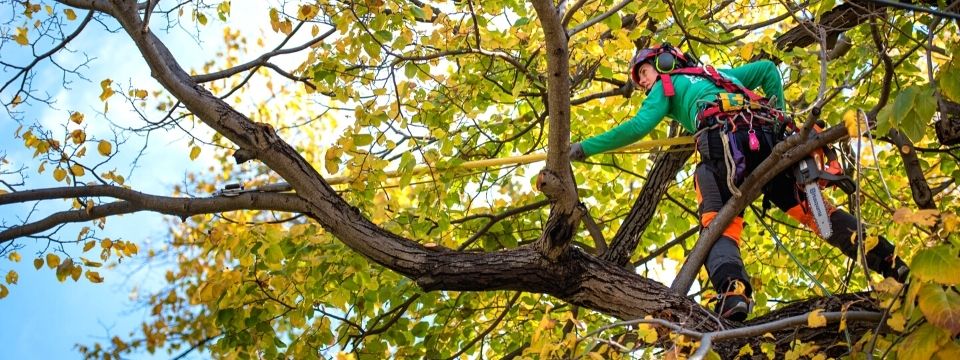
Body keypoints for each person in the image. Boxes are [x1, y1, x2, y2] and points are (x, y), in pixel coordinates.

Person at [570, 44, 909, 321]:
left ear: (664, 62)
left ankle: (733, 292)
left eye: (642, 74)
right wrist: (780, 116)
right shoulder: (716, 76)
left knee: (717, 221)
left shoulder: (667, 84)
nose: (643, 84)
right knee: (815, 212)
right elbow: (767, 71)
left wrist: (586, 147)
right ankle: (891, 262)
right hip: (769, 144)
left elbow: (638, 126)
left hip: (725, 147)